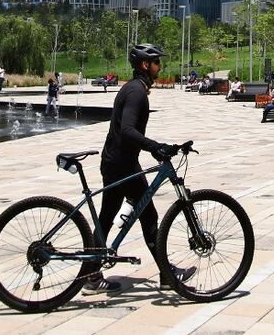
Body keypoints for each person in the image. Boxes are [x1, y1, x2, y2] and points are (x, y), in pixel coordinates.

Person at [83, 44, 194, 295]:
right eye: (156, 62)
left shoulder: (133, 89)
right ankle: (166, 274)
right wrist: (155, 146)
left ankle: (91, 275)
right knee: (148, 217)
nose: (160, 66)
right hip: (122, 165)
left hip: (118, 161)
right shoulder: (136, 93)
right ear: (145, 65)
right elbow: (128, 131)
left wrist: (151, 148)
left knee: (107, 218)